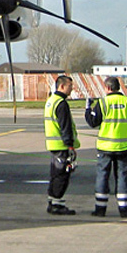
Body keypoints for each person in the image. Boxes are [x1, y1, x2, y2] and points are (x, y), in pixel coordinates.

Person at [85, 76, 127, 218]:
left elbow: (92, 122)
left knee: (103, 176)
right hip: (123, 146)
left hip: (105, 146)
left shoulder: (103, 103)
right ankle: (124, 208)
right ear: (118, 87)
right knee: (123, 176)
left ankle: (100, 208)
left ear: (107, 88)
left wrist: (88, 108)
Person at [43, 74, 80, 215]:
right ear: (62, 86)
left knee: (55, 175)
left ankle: (52, 201)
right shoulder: (61, 104)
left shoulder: (51, 101)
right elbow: (65, 126)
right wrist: (70, 145)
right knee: (62, 176)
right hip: (61, 145)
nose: (72, 89)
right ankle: (57, 204)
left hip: (53, 145)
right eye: (70, 86)